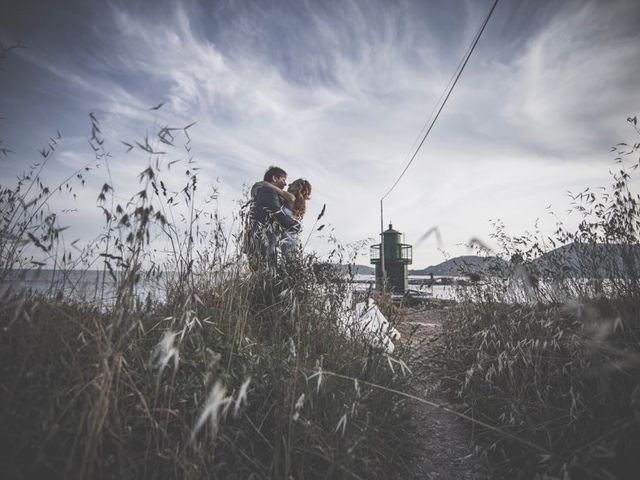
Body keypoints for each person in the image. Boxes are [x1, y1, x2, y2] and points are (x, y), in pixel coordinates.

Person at [246, 166, 300, 268]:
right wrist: (295, 225)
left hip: (259, 239)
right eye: (283, 180)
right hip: (263, 239)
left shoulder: (263, 191)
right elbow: (278, 214)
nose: (285, 183)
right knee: (267, 275)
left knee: (263, 276)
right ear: (274, 178)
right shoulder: (267, 191)